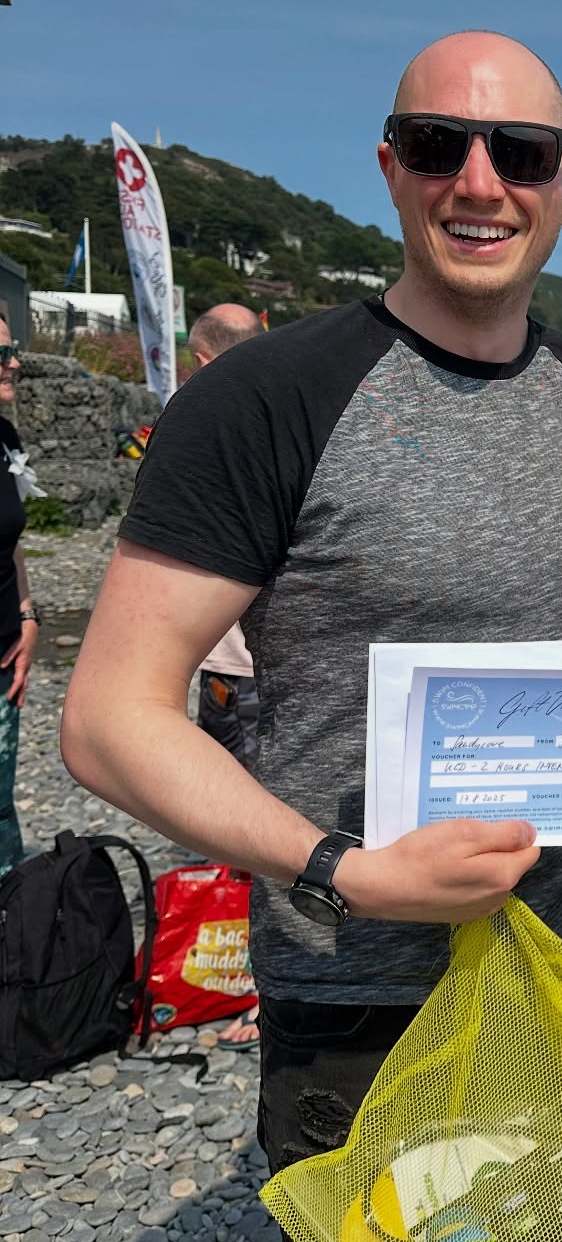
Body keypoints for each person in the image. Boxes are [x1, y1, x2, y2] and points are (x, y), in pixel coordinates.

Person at [62, 32, 562, 1242]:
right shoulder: (273, 395)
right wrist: (345, 868)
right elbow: (108, 713)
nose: (479, 180)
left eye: (519, 155)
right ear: (389, 170)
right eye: (438, 146)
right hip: (361, 999)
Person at [186, 304, 267, 1044]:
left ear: (203, 360)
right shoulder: (284, 414)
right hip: (245, 667)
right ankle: (241, 976)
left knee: (246, 827)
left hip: (233, 667)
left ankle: (250, 985)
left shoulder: (210, 425)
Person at [0, 318, 41, 875]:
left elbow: (9, 540)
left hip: (5, 650)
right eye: (4, 351)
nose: (13, 362)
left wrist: (28, 615)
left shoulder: (4, 437)